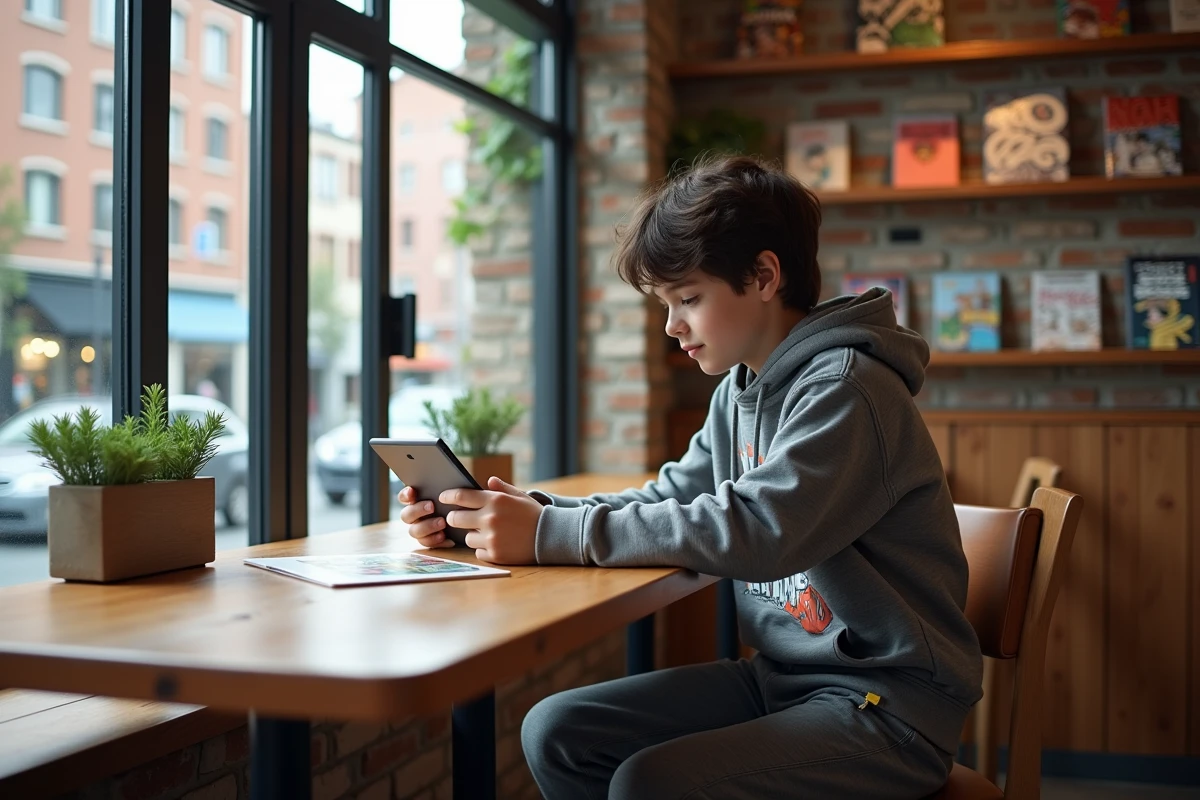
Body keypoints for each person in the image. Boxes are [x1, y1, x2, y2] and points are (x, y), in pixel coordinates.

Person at [397, 155, 981, 799]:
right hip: (782, 679)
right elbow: (673, 496)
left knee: (650, 782)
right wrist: (527, 515)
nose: (672, 326)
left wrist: (552, 533)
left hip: (887, 706)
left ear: (764, 276)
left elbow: (760, 530)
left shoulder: (848, 388)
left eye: (689, 299)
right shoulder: (741, 389)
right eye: (665, 304)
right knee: (557, 732)